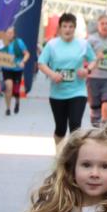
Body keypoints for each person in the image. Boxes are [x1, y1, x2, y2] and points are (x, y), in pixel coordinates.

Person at [38, 12, 97, 146]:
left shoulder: (82, 44)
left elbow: (93, 60)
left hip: (78, 92)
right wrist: (52, 74)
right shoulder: (52, 45)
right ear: (59, 28)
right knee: (60, 129)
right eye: (65, 26)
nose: (68, 29)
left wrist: (87, 70)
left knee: (76, 126)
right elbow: (41, 63)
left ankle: (72, 158)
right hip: (58, 93)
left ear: (74, 29)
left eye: (71, 27)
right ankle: (59, 156)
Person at [0, 26, 30, 116]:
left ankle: (17, 102)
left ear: (14, 34)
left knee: (16, 90)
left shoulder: (19, 42)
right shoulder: (2, 43)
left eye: (11, 33)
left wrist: (23, 61)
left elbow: (27, 53)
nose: (9, 35)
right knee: (8, 87)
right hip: (7, 69)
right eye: (7, 33)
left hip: (17, 69)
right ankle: (8, 108)